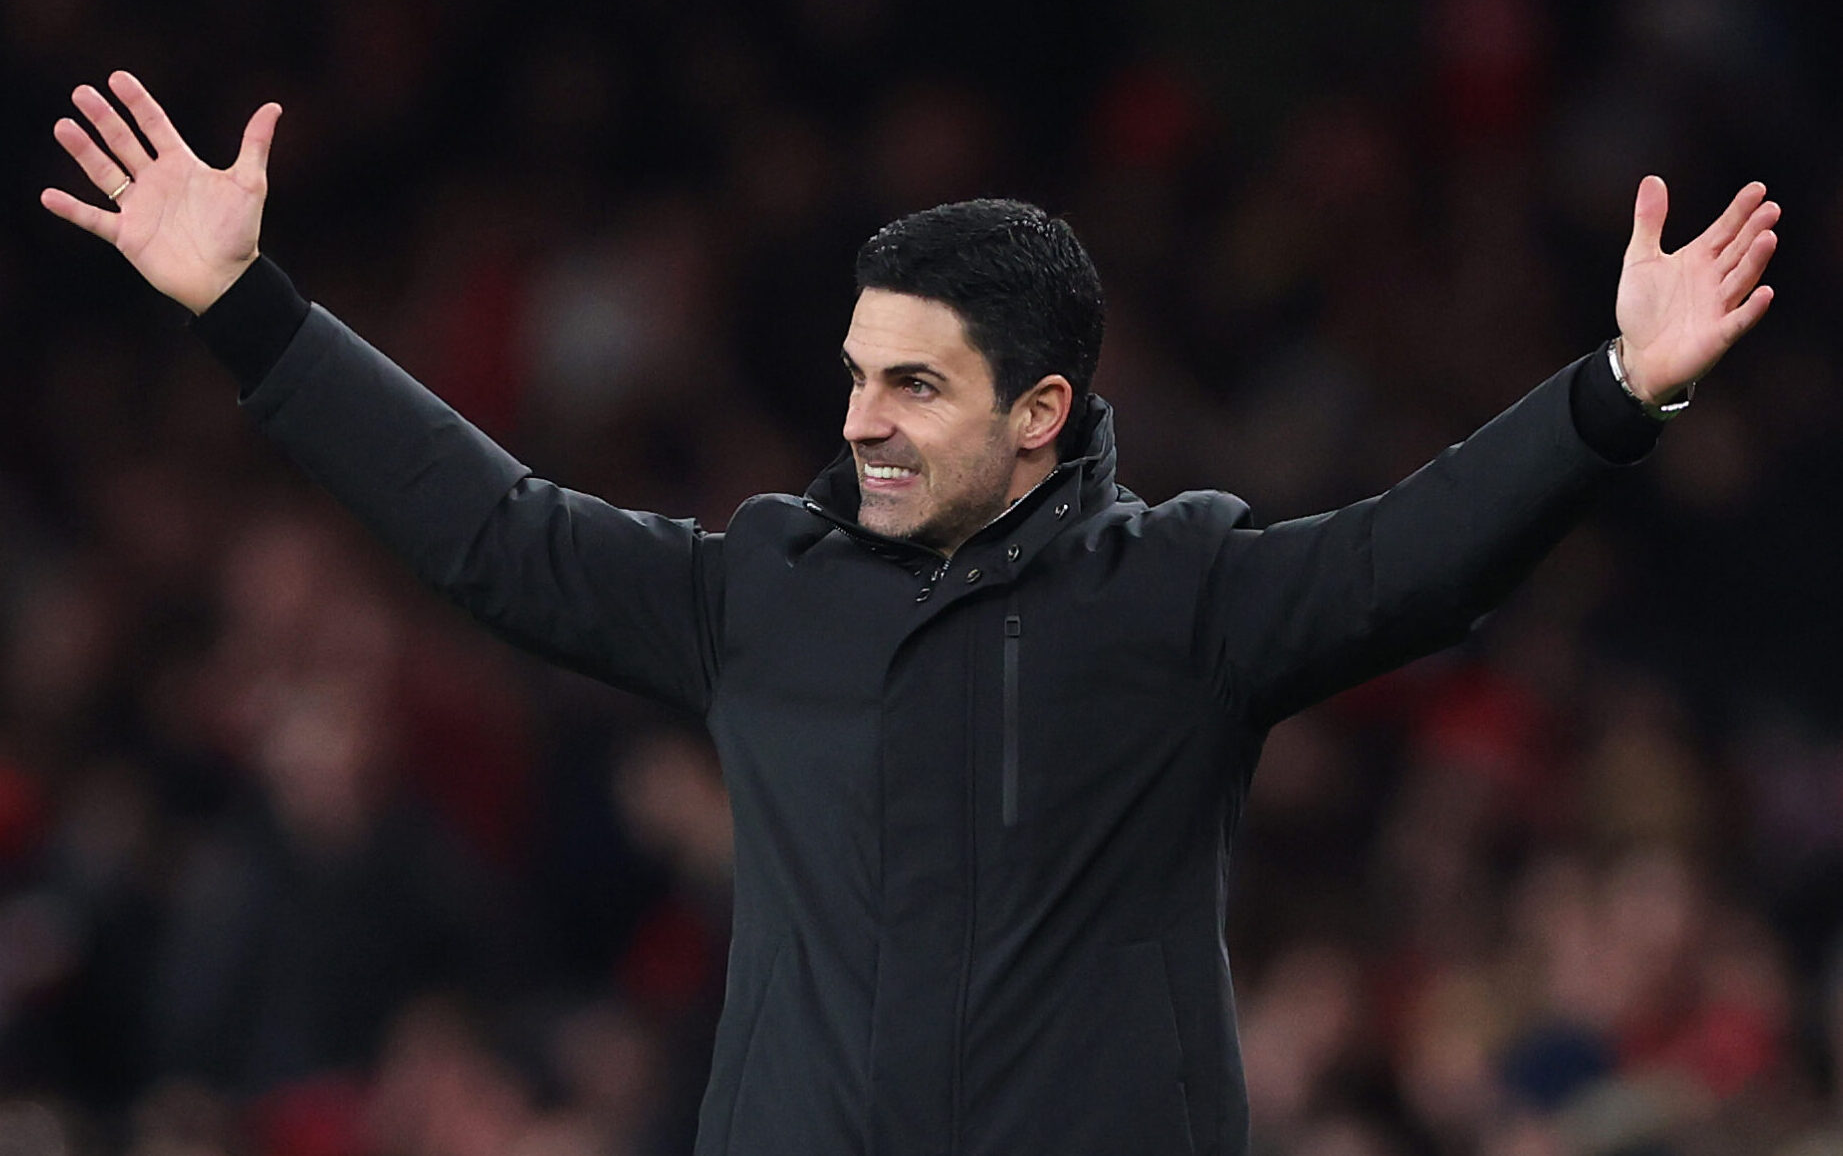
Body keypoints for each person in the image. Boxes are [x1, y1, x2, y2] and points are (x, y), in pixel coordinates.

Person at [42, 71, 1779, 1156]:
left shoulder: (1186, 594)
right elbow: (491, 531)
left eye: (918, 386)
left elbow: (1426, 551)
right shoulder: (754, 596)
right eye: (860, 371)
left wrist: (1620, 388)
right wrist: (250, 313)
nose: (862, 415)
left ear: (1040, 412)